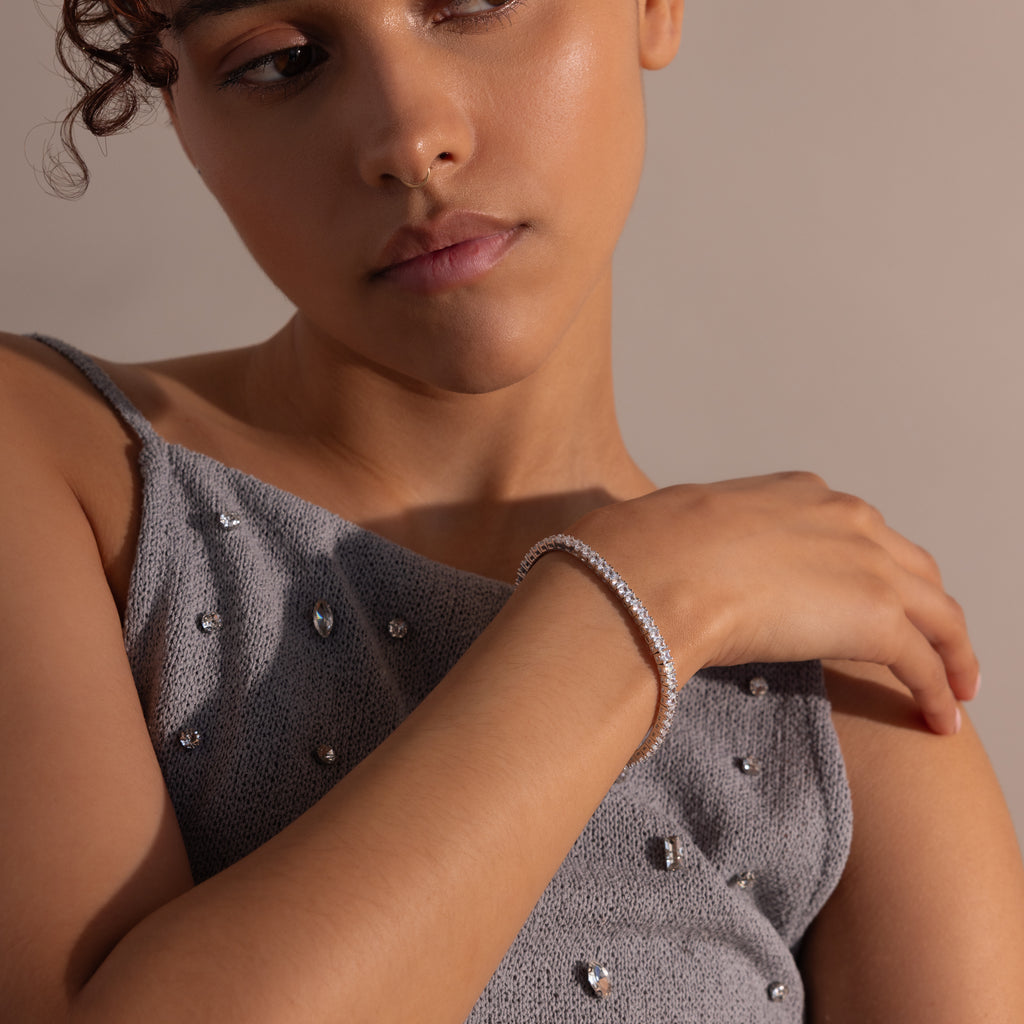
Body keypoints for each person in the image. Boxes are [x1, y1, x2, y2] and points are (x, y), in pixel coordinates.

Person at [1, 0, 1022, 1020]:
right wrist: (632, 610)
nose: (410, 139)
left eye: (474, 2)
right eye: (283, 59)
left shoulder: (847, 704)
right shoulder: (49, 459)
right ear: (178, 109)